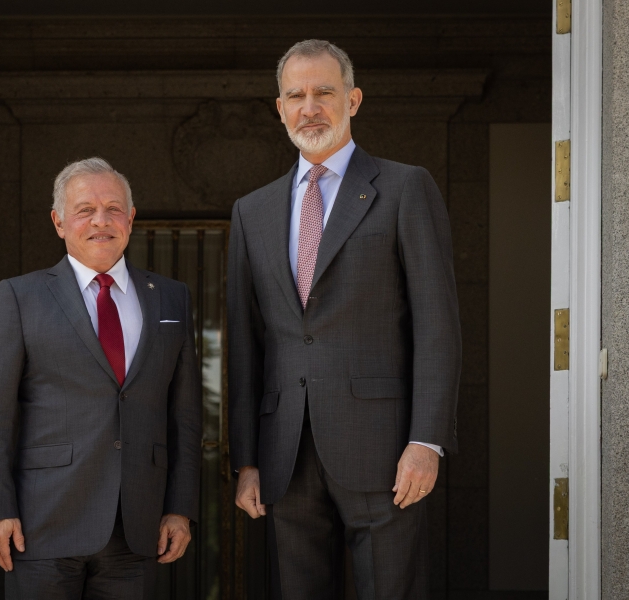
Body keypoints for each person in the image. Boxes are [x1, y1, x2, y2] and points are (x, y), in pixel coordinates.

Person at [228, 40, 461, 599]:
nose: (309, 108)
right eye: (296, 96)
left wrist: (426, 441)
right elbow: (244, 344)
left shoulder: (405, 188)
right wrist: (247, 460)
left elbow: (437, 324)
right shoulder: (252, 211)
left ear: (353, 100)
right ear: (279, 108)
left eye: (324, 93)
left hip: (385, 452)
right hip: (285, 454)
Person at [0, 157, 202, 599]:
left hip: (138, 527)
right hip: (41, 524)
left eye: (114, 209)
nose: (101, 220)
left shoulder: (171, 297)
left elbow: (185, 416)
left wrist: (180, 508)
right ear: (58, 222)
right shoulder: (20, 296)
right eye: (85, 210)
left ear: (130, 219)